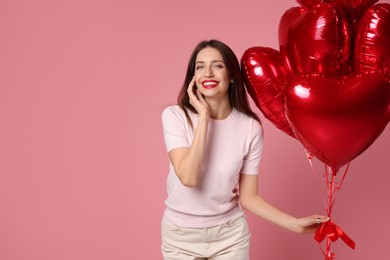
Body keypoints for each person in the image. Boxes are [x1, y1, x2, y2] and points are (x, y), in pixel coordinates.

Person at [161, 39, 329, 260]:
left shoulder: (250, 127)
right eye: (200, 66)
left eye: (218, 65)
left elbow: (249, 197)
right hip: (180, 238)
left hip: (229, 237)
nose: (208, 73)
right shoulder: (175, 116)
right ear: (193, 76)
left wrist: (295, 225)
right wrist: (203, 117)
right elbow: (189, 177)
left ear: (231, 76)